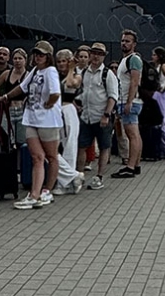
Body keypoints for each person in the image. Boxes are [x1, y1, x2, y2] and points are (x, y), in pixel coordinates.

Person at [0, 41, 62, 210]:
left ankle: (47, 190)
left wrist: (49, 103)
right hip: (31, 118)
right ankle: (34, 194)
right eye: (36, 54)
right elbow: (21, 88)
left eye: (42, 54)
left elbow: (55, 92)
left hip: (48, 121)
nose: (38, 57)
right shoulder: (34, 71)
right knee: (36, 156)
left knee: (51, 156)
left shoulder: (50, 71)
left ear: (48, 57)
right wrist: (6, 97)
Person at [76, 42, 118, 190]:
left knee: (104, 146)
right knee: (81, 146)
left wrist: (106, 114)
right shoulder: (83, 73)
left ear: (104, 56)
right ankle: (79, 176)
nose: (96, 57)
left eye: (100, 54)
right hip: (85, 116)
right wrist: (77, 104)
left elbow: (113, 96)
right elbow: (77, 91)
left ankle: (99, 176)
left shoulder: (107, 74)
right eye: (94, 53)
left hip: (101, 117)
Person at [51, 49, 84, 196]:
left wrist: (71, 69)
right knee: (54, 148)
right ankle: (72, 177)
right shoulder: (54, 75)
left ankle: (65, 183)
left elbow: (70, 84)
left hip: (68, 110)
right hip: (55, 111)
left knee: (69, 146)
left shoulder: (76, 75)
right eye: (59, 61)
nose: (61, 64)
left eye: (64, 61)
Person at [112, 30, 144, 178]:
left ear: (134, 44)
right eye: (123, 40)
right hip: (126, 100)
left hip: (129, 101)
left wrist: (129, 101)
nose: (124, 43)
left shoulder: (133, 59)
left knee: (132, 135)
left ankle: (130, 167)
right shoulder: (126, 60)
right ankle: (135, 164)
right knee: (134, 134)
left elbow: (134, 82)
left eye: (127, 41)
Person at [0, 48, 29, 145]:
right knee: (7, 139)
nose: (17, 61)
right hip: (8, 110)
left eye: (20, 58)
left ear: (25, 60)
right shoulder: (7, 74)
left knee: (21, 140)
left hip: (22, 111)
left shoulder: (28, 76)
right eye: (15, 58)